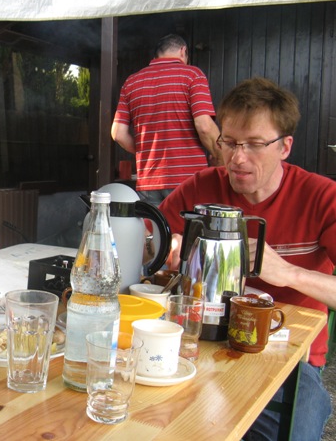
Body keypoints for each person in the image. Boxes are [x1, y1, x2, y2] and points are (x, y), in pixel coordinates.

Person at [160, 77, 334, 440]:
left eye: (255, 144)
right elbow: (149, 244)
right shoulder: (201, 187)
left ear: (285, 146)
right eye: (229, 142)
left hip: (287, 358)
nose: (237, 158)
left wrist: (289, 273)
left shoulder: (321, 197)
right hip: (199, 343)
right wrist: (163, 247)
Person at [111, 33, 222, 206]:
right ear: (183, 51)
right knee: (186, 225)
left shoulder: (131, 82)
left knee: (154, 225)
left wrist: (148, 150)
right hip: (187, 180)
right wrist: (222, 157)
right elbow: (205, 126)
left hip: (149, 182)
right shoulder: (193, 75)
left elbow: (118, 133)